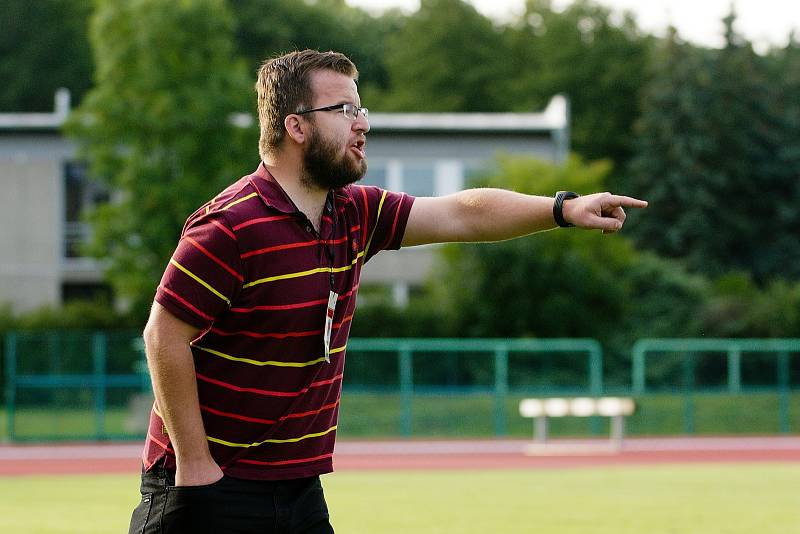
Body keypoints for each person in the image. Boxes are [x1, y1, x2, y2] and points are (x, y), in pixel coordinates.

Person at [127, 49, 647, 534]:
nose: (363, 123)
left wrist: (561, 209)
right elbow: (163, 336)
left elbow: (463, 214)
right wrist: (196, 465)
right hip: (208, 486)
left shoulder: (356, 212)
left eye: (362, 107)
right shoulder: (230, 226)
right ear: (296, 126)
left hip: (298, 488)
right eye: (345, 108)